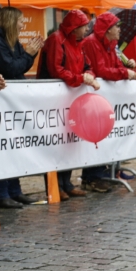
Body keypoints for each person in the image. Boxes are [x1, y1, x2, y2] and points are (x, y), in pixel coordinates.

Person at [38, 10, 100, 201]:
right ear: (74, 28)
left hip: (71, 96)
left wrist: (88, 75)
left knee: (69, 139)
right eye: (84, 26)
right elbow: (56, 69)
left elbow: (88, 66)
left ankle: (67, 183)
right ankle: (55, 185)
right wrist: (80, 78)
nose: (87, 30)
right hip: (53, 99)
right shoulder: (56, 40)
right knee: (55, 141)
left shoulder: (79, 42)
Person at [0, 8, 41, 208]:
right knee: (3, 146)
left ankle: (15, 191)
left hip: (10, 100)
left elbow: (19, 66)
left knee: (13, 146)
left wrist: (29, 54)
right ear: (10, 21)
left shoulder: (11, 40)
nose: (22, 25)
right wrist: (29, 54)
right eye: (20, 21)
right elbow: (10, 68)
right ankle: (1, 193)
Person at [80, 12, 136, 193]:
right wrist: (125, 73)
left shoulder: (110, 45)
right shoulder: (91, 43)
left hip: (104, 98)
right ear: (107, 29)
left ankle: (101, 173)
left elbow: (115, 66)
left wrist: (129, 70)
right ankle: (92, 177)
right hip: (94, 98)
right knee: (95, 135)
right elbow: (101, 70)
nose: (119, 30)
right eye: (116, 26)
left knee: (104, 135)